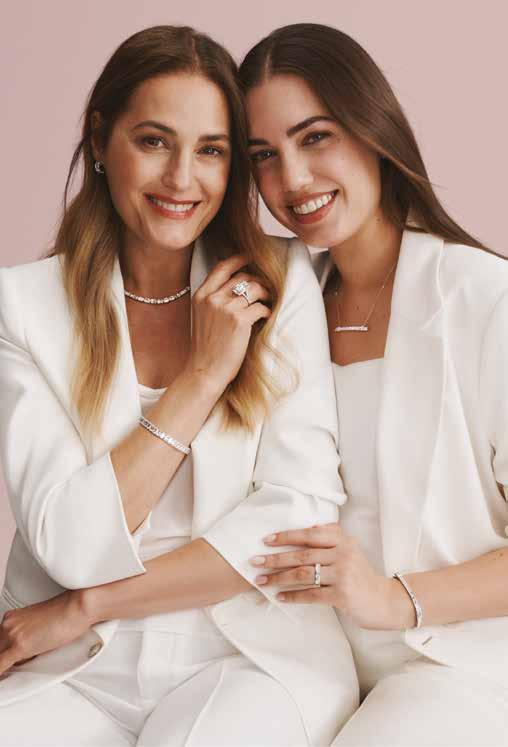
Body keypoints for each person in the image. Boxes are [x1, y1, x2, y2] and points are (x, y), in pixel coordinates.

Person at [0, 25, 358, 746]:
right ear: (100, 140)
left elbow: (296, 513)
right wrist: (202, 377)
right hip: (74, 665)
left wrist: (87, 603)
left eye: (211, 151)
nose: (181, 180)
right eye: (154, 141)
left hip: (248, 655)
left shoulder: (280, 281)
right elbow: (69, 544)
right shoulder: (23, 306)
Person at [238, 22, 508, 747]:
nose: (293, 179)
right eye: (264, 155)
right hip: (304, 665)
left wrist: (393, 599)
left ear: (373, 128)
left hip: (459, 664)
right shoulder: (269, 301)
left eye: (315, 137)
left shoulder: (484, 299)